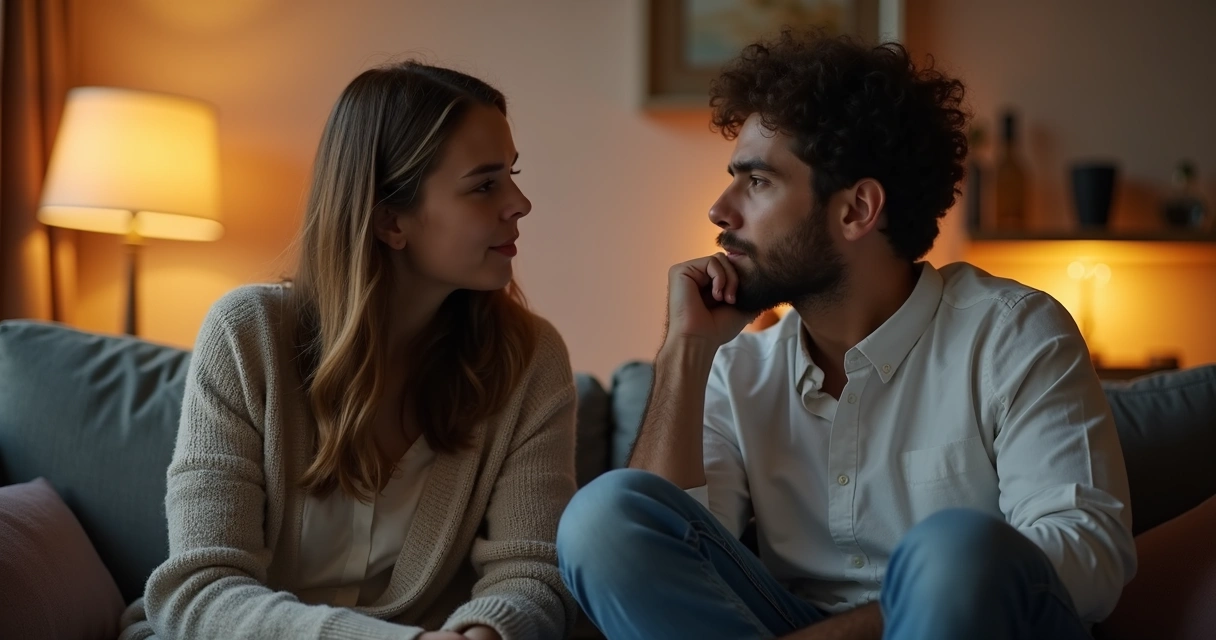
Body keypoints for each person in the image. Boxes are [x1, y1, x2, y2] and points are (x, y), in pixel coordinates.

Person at [557, 31, 1135, 640]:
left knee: (954, 549)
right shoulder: (741, 369)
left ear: (857, 209)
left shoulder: (1013, 333)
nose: (720, 210)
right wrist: (686, 351)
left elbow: (1089, 554)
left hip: (968, 620)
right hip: (785, 621)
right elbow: (673, 550)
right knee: (603, 516)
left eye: (757, 181)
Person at [119, 62, 578, 640]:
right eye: (485, 185)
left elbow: (532, 572)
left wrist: (485, 635)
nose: (520, 203)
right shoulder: (246, 336)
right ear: (390, 220)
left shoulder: (528, 359)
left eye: (510, 175)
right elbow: (200, 591)